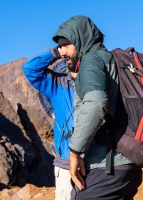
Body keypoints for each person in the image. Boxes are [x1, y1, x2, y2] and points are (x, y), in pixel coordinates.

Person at [52, 15, 142, 199]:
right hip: (127, 166)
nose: (61, 52)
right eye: (59, 46)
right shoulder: (112, 60)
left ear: (80, 40)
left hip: (106, 167)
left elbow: (96, 103)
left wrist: (74, 152)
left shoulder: (91, 61)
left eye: (66, 44)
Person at [23, 51, 75, 199]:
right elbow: (30, 69)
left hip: (94, 162)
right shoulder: (60, 82)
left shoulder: (94, 77)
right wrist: (56, 52)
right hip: (66, 161)